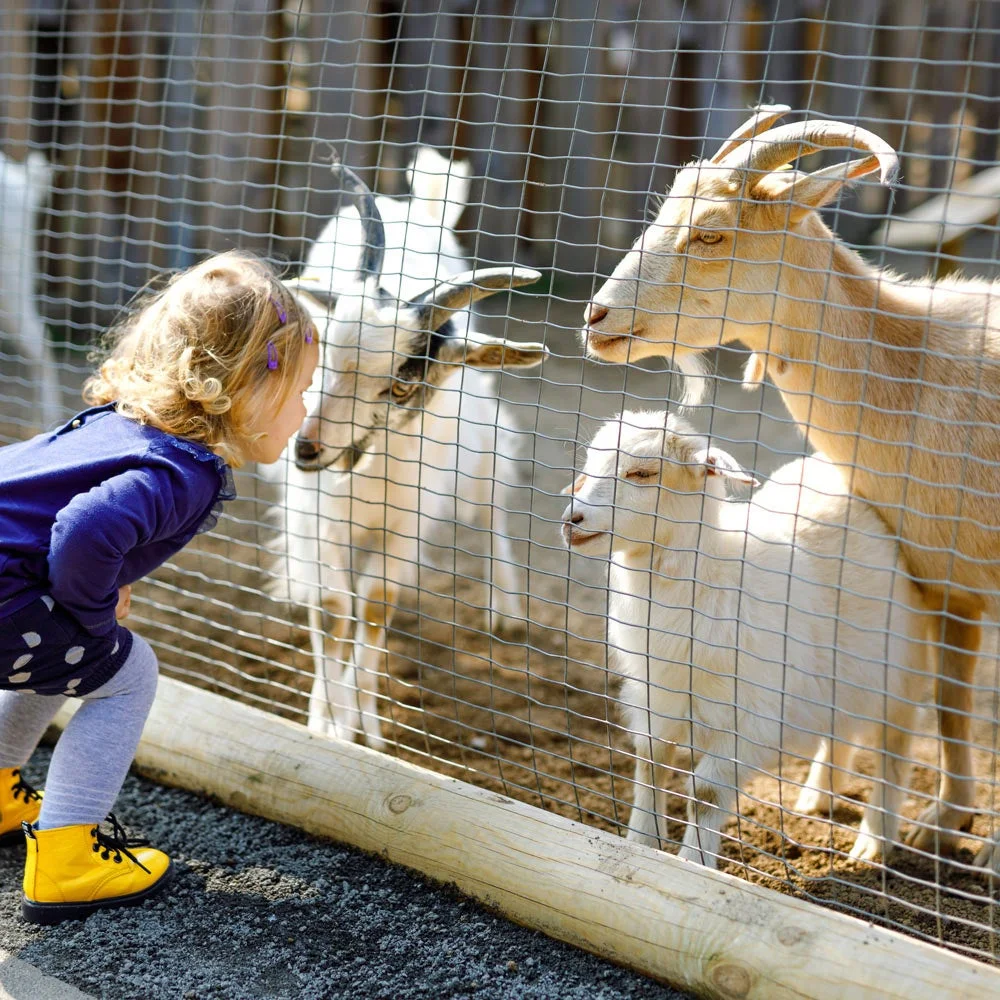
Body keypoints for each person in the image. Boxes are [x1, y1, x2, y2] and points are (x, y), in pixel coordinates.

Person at [0, 250, 319, 924]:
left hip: (13, 587)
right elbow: (86, 528)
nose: (305, 411)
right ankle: (65, 857)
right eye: (301, 390)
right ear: (250, 386)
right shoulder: (182, 470)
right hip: (8, 598)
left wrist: (83, 607)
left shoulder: (120, 425)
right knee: (127, 669)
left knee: (69, 654)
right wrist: (93, 610)